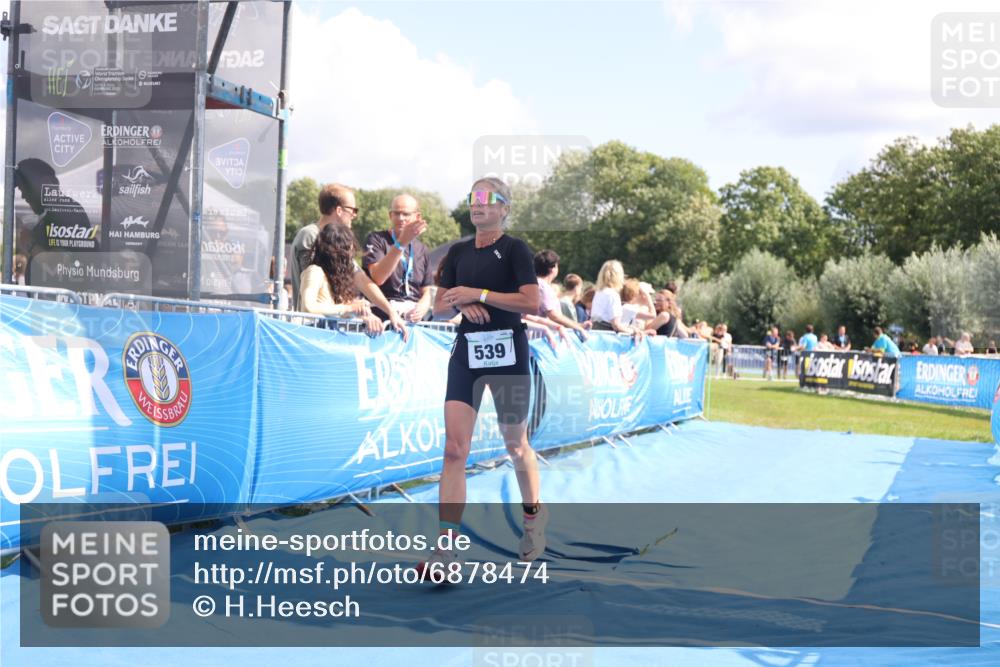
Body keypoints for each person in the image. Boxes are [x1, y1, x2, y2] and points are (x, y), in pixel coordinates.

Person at [420, 177, 545, 578]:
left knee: (515, 444)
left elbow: (531, 301)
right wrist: (459, 298)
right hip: (467, 353)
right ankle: (446, 550)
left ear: (504, 208)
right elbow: (439, 307)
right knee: (455, 450)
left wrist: (480, 294)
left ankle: (532, 520)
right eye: (473, 197)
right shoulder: (457, 252)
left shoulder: (515, 249)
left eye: (487, 198)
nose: (477, 204)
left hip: (508, 352)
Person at [298, 222, 408, 339]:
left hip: (326, 339)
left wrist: (364, 316)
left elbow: (337, 311)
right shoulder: (315, 271)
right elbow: (309, 306)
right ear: (337, 252)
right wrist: (350, 307)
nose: (350, 258)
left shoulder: (336, 279)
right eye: (347, 252)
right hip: (313, 338)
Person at [14, 158, 97, 282]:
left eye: (26, 188)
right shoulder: (54, 213)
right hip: (49, 299)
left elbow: (59, 265)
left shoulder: (65, 211)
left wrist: (30, 243)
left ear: (47, 182)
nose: (23, 196)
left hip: (58, 300)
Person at [362, 193, 434, 322]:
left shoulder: (422, 249)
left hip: (412, 321)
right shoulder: (376, 239)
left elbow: (426, 291)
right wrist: (401, 244)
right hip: (383, 318)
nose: (401, 218)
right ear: (390, 215)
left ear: (417, 217)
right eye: (396, 213)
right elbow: (378, 278)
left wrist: (421, 309)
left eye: (406, 214)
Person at [290, 183, 358, 308]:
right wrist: (348, 308)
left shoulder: (338, 239)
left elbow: (360, 278)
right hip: (310, 323)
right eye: (353, 210)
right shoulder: (310, 235)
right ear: (339, 210)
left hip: (326, 320)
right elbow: (314, 292)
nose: (354, 215)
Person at [533, 249, 588, 338]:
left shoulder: (533, 283)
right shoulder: (543, 287)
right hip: (540, 338)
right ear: (552, 268)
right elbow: (554, 315)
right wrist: (578, 326)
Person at [590, 260, 644, 339]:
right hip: (607, 336)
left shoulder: (599, 292)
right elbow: (616, 325)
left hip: (596, 333)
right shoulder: (612, 295)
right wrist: (633, 332)